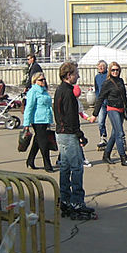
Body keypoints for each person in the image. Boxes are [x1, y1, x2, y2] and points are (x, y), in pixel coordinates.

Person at [53, 62, 96, 219]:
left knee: (65, 167)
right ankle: (77, 201)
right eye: (76, 73)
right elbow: (71, 117)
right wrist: (80, 135)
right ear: (68, 75)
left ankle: (64, 199)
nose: (78, 76)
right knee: (76, 167)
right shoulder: (68, 92)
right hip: (69, 134)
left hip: (61, 132)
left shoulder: (59, 90)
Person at [94, 61, 127, 166]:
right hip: (112, 109)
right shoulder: (107, 83)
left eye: (117, 70)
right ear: (110, 71)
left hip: (121, 109)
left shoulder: (120, 81)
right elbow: (100, 98)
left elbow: (124, 97)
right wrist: (95, 114)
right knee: (120, 133)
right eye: (113, 70)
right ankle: (123, 158)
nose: (115, 72)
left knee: (114, 134)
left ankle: (106, 154)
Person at [23, 72, 54, 172]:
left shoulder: (44, 91)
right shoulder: (33, 92)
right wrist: (26, 124)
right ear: (35, 81)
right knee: (44, 142)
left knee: (38, 141)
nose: (43, 81)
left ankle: (30, 160)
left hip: (45, 119)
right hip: (37, 120)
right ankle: (47, 165)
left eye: (44, 79)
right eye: (41, 80)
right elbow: (29, 108)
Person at [94, 60, 109, 148]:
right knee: (100, 122)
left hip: (110, 102)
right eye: (99, 66)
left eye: (103, 66)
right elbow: (96, 88)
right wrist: (98, 98)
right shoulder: (97, 77)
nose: (101, 68)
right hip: (101, 103)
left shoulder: (109, 75)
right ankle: (103, 137)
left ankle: (121, 138)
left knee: (115, 122)